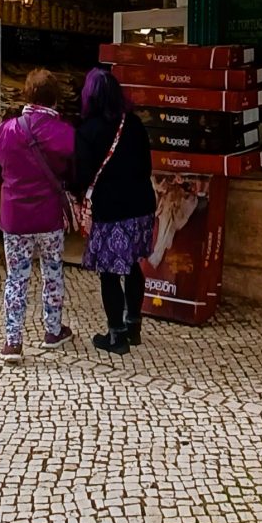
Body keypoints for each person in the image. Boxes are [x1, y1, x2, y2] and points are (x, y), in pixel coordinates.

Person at [0, 68, 76, 363]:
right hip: (49, 217)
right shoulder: (65, 133)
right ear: (55, 99)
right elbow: (73, 174)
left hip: (15, 218)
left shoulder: (4, 131)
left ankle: (12, 341)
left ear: (26, 95)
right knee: (52, 273)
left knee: (16, 278)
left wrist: (12, 183)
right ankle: (52, 330)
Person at [74, 68, 157, 355]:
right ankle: (133, 326)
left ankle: (115, 335)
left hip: (112, 211)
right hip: (142, 206)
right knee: (134, 264)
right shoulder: (133, 123)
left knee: (109, 272)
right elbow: (147, 166)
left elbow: (81, 175)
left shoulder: (87, 131)